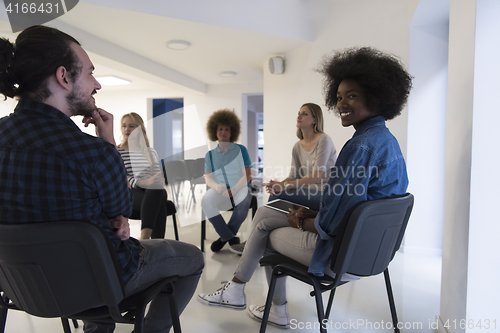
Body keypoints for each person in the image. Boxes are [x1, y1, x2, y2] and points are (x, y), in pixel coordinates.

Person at [0, 25, 204, 333]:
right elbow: (120, 210)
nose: (96, 84)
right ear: (63, 77)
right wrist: (107, 143)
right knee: (193, 257)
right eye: (89, 73)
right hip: (99, 283)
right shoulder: (93, 152)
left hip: (22, 286)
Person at [197, 46, 411, 329]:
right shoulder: (388, 143)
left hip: (340, 254)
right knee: (267, 212)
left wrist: (302, 220)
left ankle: (258, 300)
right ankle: (240, 291)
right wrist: (296, 203)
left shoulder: (359, 147)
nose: (342, 103)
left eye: (353, 95)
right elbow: (353, 203)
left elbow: (332, 222)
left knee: (267, 232)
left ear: (377, 95)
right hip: (374, 254)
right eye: (339, 97)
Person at [265, 103, 337, 210]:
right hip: (306, 192)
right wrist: (278, 185)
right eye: (298, 113)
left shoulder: (323, 140)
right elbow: (293, 176)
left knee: (277, 195)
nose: (299, 116)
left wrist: (284, 186)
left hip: (325, 194)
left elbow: (316, 177)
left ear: (315, 120)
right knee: (274, 195)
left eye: (304, 114)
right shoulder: (297, 147)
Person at [202, 109, 253, 253]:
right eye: (220, 129)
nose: (223, 131)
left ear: (232, 132)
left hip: (240, 187)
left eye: (227, 129)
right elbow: (208, 177)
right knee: (206, 200)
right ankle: (230, 237)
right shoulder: (210, 154)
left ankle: (223, 238)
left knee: (243, 203)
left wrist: (235, 189)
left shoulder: (240, 150)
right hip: (219, 188)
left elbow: (247, 176)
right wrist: (216, 186)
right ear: (215, 131)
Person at [118, 112, 168, 240]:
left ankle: (145, 243)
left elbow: (157, 176)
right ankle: (154, 244)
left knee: (156, 190)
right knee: (159, 203)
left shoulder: (150, 152)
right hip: (131, 192)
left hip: (153, 191)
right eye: (124, 126)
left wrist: (155, 179)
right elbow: (122, 178)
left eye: (131, 126)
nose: (127, 129)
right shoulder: (118, 151)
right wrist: (143, 182)